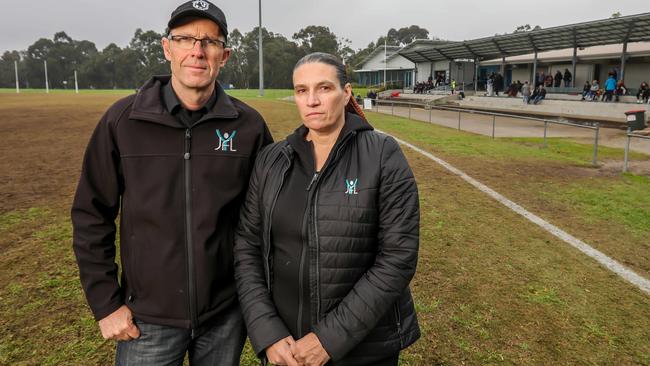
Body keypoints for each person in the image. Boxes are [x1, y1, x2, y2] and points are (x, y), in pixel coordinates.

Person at [71, 1, 273, 364]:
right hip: (147, 320)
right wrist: (105, 304)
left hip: (225, 316)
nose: (198, 51)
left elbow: (269, 218)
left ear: (224, 55)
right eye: (185, 39)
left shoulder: (250, 127)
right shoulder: (123, 121)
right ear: (167, 48)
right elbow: (91, 214)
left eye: (209, 42)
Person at [234, 52, 420, 366]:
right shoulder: (271, 160)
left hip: (362, 350)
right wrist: (267, 331)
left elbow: (397, 258)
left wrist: (328, 340)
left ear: (346, 93)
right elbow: (247, 245)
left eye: (324, 88)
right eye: (302, 90)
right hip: (286, 348)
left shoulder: (383, 155)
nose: (312, 100)